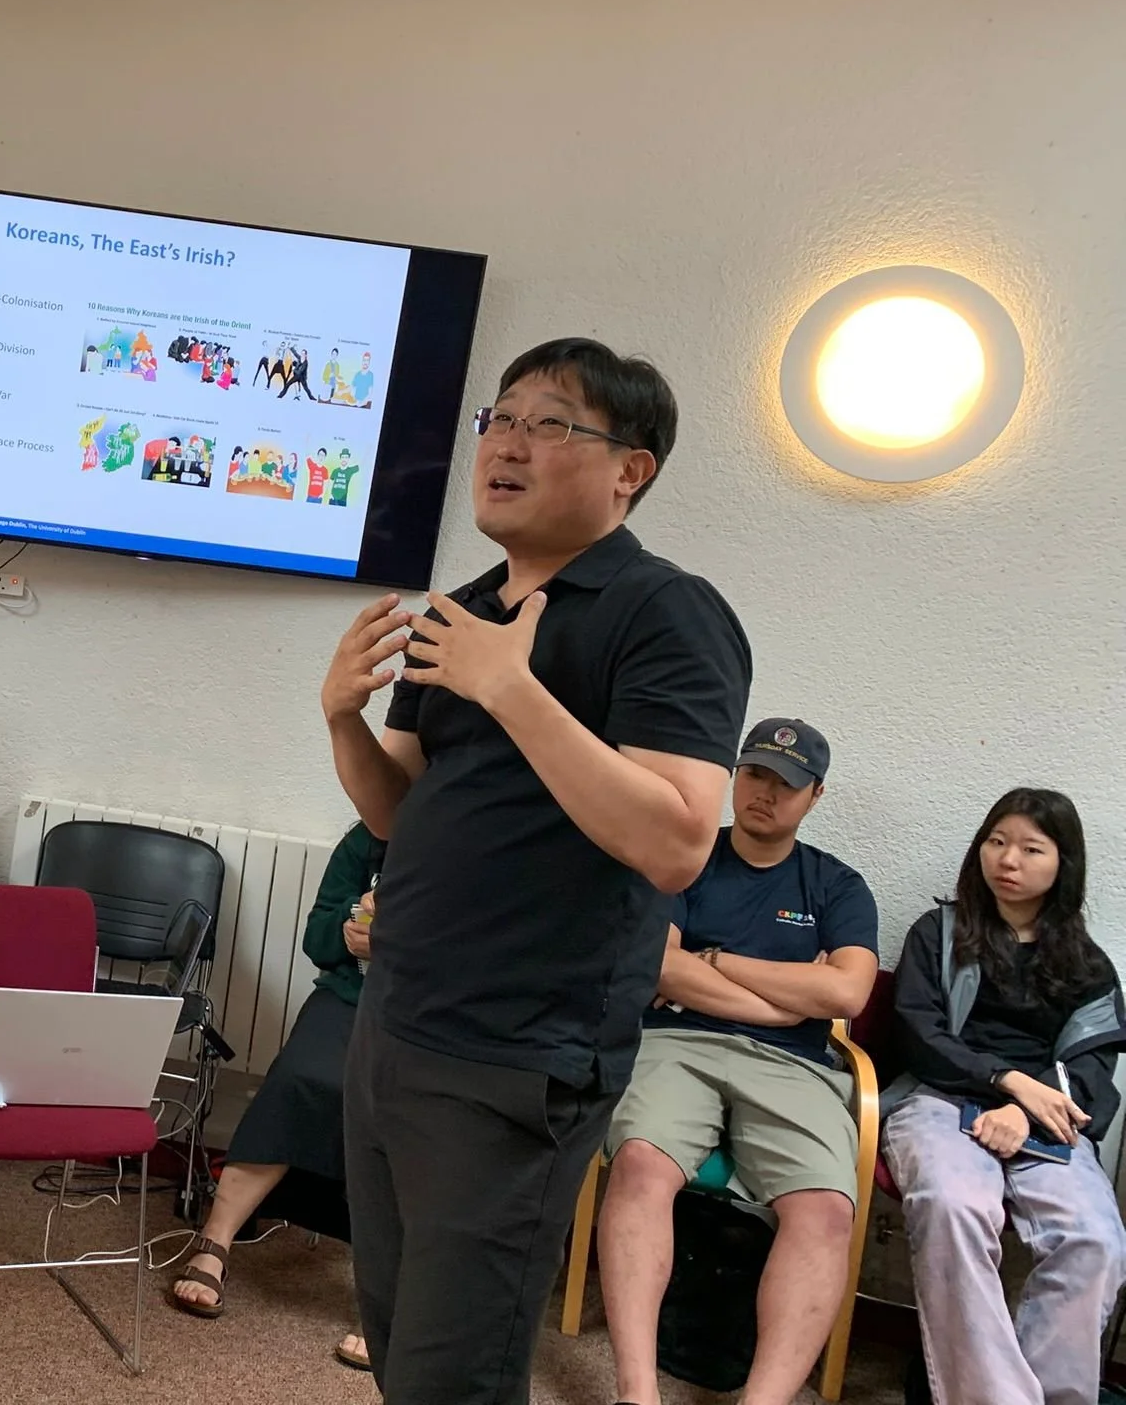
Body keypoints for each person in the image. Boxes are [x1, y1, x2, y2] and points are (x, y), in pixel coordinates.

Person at [322, 337, 751, 1402]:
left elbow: (674, 839)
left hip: (515, 1054)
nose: (506, 444)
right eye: (498, 419)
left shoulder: (666, 611)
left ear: (628, 470)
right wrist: (340, 719)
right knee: (396, 1335)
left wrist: (512, 690)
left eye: (549, 423)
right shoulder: (465, 608)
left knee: (452, 1374)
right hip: (395, 1022)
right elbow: (398, 811)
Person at [599, 718, 878, 1405]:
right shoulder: (685, 858)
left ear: (815, 795)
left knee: (824, 1212)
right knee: (639, 1163)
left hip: (794, 1068)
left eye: (787, 783)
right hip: (676, 1044)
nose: (765, 792)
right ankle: (637, 1392)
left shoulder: (836, 886)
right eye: (754, 773)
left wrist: (716, 960)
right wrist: (784, 1002)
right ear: (734, 776)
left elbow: (845, 990)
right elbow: (657, 967)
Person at [882, 788, 1126, 1405]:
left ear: (1062, 865)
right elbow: (918, 1035)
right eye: (997, 841)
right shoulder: (938, 933)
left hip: (1044, 1116)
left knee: (1095, 1239)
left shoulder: (1089, 965)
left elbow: (1094, 1073)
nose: (1007, 860)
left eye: (1030, 848)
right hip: (941, 1097)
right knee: (954, 1205)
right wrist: (1004, 1080)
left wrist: (1023, 1107)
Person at [169, 822, 383, 1371]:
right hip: (351, 998)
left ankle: (390, 1298)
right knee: (301, 1079)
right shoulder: (370, 837)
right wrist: (349, 930)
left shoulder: (480, 840)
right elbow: (317, 939)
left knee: (406, 1114)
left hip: (439, 1018)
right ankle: (215, 1241)